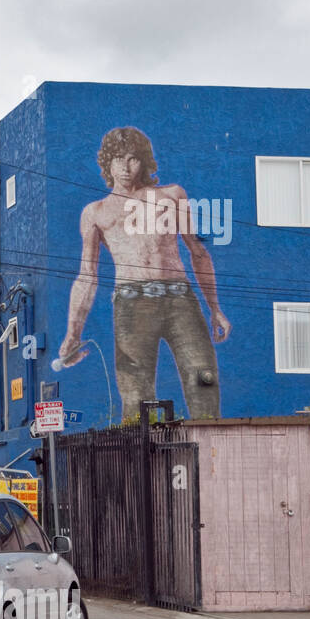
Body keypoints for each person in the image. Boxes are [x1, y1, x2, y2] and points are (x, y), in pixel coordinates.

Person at [58, 126, 230, 419]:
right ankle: (140, 461)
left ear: (144, 161)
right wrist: (72, 334)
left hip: (180, 299)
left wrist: (215, 309)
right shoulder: (96, 211)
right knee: (136, 396)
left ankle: (211, 457)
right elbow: (87, 276)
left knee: (203, 380)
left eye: (133, 158)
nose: (125, 167)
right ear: (107, 163)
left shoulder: (172, 196)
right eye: (118, 159)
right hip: (131, 304)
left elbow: (198, 252)